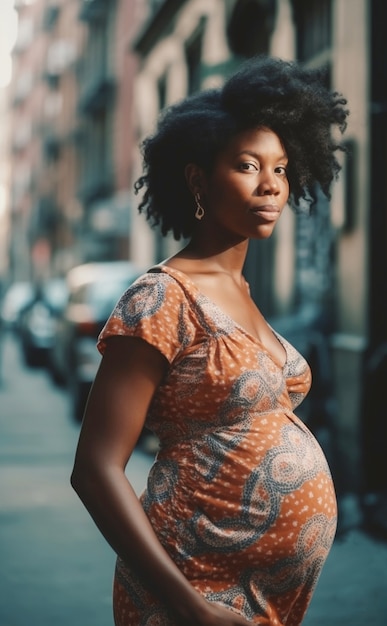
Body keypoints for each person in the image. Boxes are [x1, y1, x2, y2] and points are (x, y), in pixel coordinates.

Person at [71, 55, 348, 626]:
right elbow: (95, 468)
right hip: (191, 592)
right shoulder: (161, 297)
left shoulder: (242, 291)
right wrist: (189, 607)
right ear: (198, 178)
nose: (271, 185)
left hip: (267, 599)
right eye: (248, 166)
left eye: (281, 167)